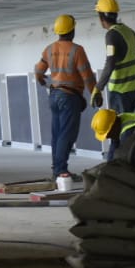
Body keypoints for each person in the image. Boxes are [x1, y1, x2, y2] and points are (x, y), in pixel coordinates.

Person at [33, 14, 97, 182]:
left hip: (54, 96)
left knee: (57, 133)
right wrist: (96, 93)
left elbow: (38, 70)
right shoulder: (77, 50)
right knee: (67, 135)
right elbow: (87, 75)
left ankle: (57, 169)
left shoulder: (49, 49)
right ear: (72, 30)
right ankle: (61, 171)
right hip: (70, 97)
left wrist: (40, 79)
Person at [91, 0, 135, 159]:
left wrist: (98, 88)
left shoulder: (111, 35)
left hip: (119, 92)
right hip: (131, 89)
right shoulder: (126, 30)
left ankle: (117, 165)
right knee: (126, 129)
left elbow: (110, 63)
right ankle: (120, 163)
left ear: (101, 16)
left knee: (117, 131)